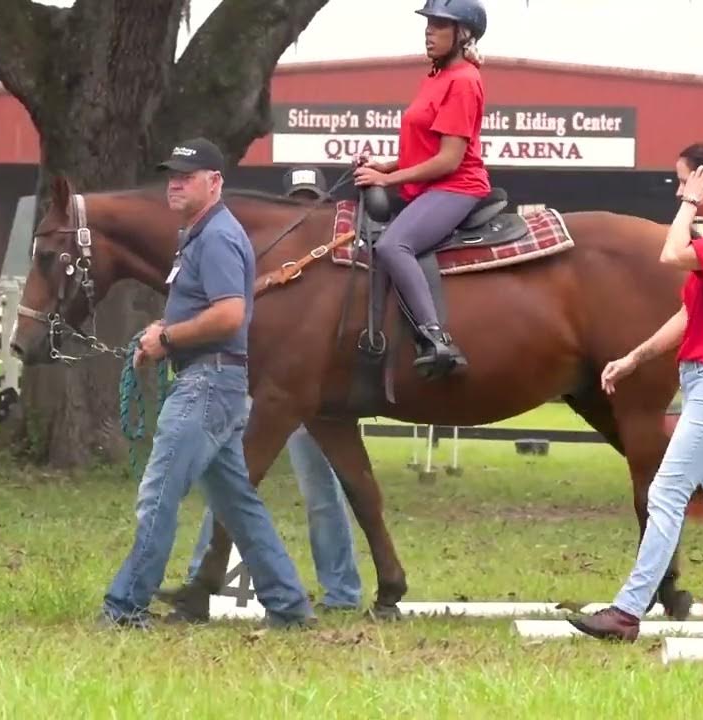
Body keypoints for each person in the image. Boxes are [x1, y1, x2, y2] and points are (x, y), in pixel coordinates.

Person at [566, 142, 703, 642]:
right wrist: (633, 358)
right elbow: (689, 316)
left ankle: (627, 612)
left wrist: (690, 205)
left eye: (684, 178)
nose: (678, 188)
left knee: (666, 493)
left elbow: (668, 254)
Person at [99, 137, 313, 630]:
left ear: (215, 183)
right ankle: (288, 605)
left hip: (207, 381)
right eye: (171, 174)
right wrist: (161, 336)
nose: (174, 182)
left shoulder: (216, 236)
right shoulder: (200, 234)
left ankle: (125, 607)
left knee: (158, 494)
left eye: (186, 175)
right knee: (238, 505)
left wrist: (167, 337)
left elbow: (229, 314)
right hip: (215, 380)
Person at [183, 164, 363, 611]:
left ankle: (342, 591)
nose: (304, 208)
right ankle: (200, 575)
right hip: (252, 382)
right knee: (232, 481)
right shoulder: (253, 256)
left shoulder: (335, 260)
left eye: (310, 199)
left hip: (304, 390)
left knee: (322, 491)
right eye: (297, 200)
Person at [352, 0, 491, 379]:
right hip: (428, 184)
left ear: (463, 34)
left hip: (457, 186)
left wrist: (385, 180)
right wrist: (386, 165)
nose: (429, 31)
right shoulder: (435, 76)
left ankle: (436, 339)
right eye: (428, 24)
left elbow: (448, 160)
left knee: (393, 245)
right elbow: (423, 146)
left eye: (439, 25)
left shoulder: (463, 81)